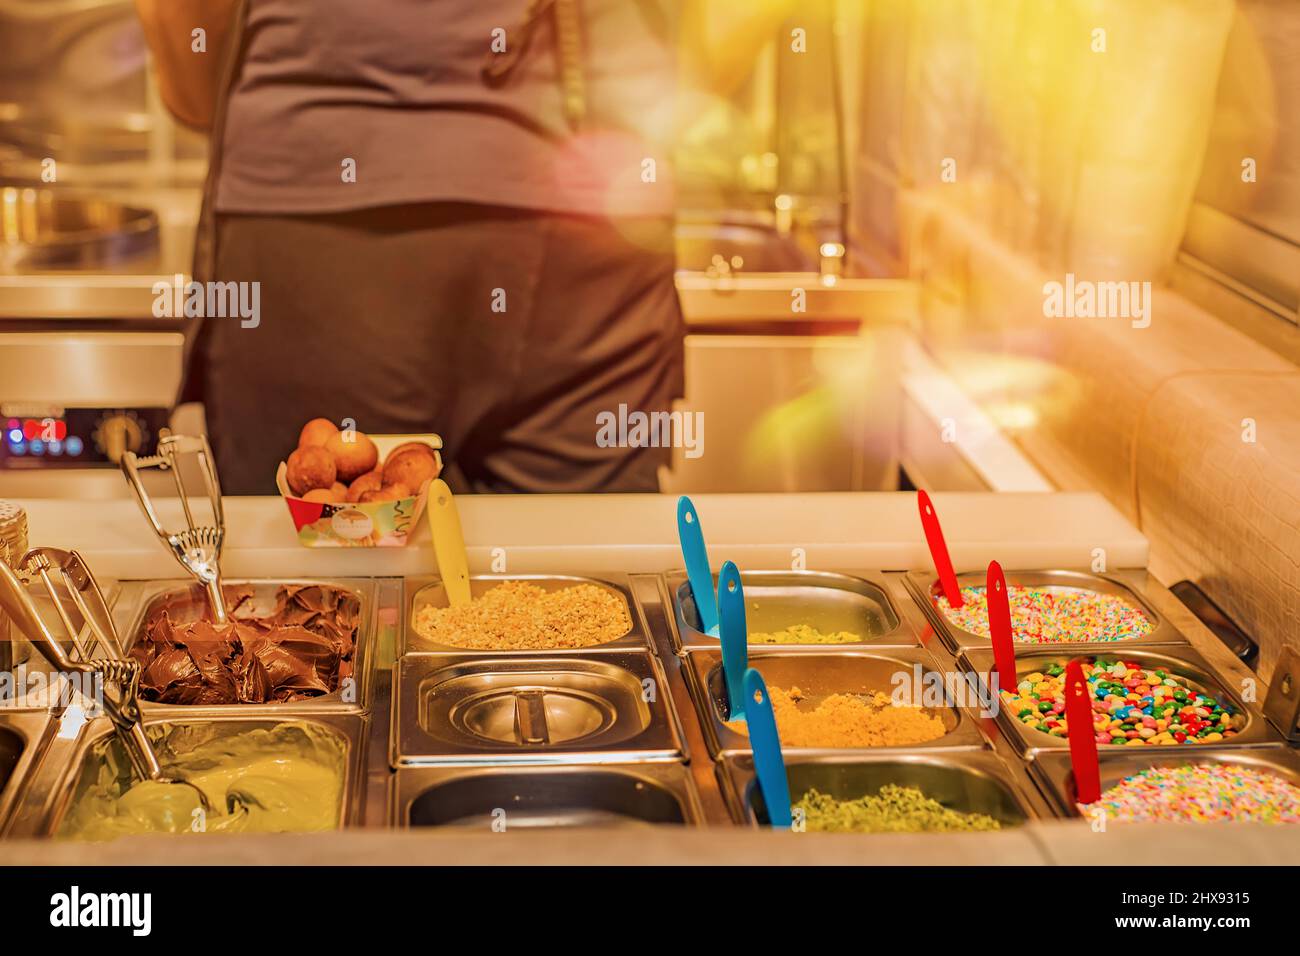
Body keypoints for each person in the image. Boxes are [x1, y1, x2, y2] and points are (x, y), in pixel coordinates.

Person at [133, 1, 795, 494]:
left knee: (324, 619)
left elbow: (189, 61)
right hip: (593, 227)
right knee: (574, 610)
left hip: (323, 226)